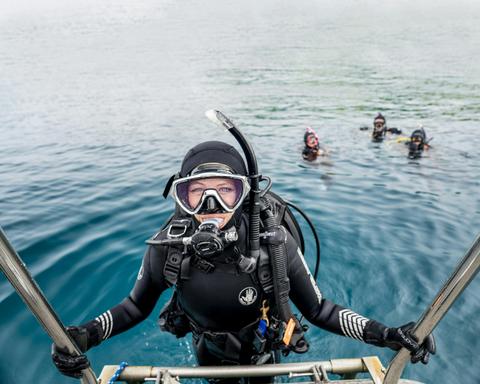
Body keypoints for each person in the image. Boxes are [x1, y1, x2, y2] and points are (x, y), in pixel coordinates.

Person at [51, 136, 435, 382]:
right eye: (197, 193)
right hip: (205, 342)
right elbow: (135, 307)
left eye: (225, 191)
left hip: (261, 345)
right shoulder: (168, 246)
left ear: (245, 195)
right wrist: (85, 335)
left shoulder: (273, 244)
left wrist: (386, 334)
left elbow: (320, 311)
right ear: (181, 198)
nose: (211, 205)